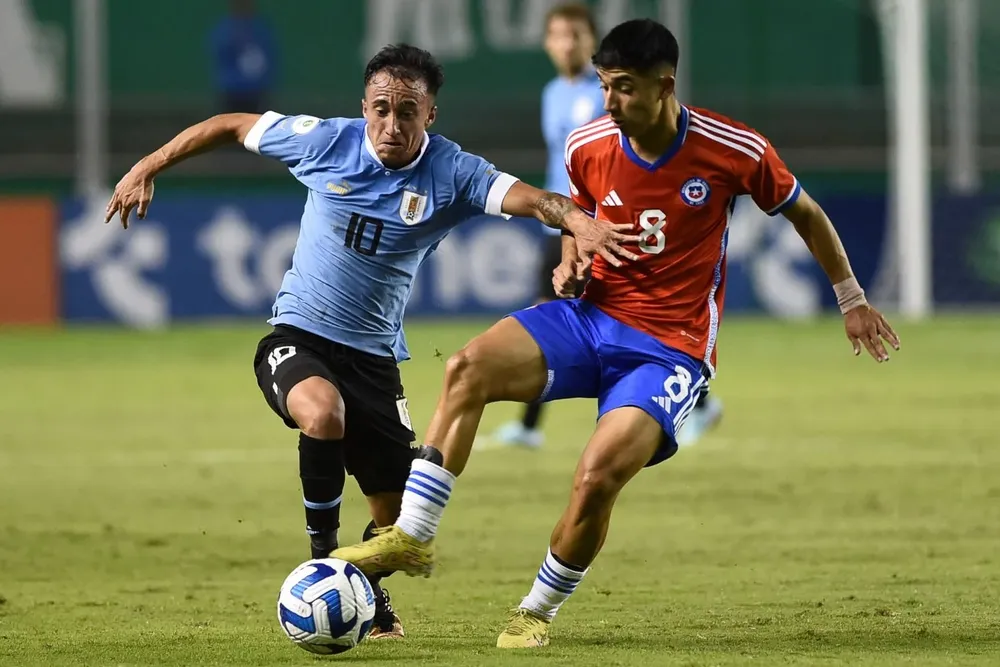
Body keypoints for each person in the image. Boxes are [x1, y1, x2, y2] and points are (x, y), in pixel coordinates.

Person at [330, 20, 901, 649]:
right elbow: (580, 220)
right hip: (588, 319)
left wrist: (852, 299)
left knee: (596, 475)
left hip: (669, 349)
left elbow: (807, 213)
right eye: (604, 86)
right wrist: (571, 259)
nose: (608, 102)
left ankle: (536, 610)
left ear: (665, 85)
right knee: (466, 367)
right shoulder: (587, 145)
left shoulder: (733, 148)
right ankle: (412, 535)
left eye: (624, 89)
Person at [103, 44, 635, 642]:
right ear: (363, 108)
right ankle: (323, 564)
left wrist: (580, 222)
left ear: (429, 115)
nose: (392, 124)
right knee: (322, 414)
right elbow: (229, 124)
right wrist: (146, 165)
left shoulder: (453, 172)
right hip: (297, 336)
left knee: (396, 524)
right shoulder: (325, 141)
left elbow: (534, 200)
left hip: (375, 361)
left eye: (407, 111)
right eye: (380, 109)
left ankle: (367, 594)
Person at [492, 2, 605, 450]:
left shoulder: (605, 92)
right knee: (549, 316)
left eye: (576, 34)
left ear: (592, 41)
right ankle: (529, 426)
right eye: (559, 35)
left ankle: (529, 426)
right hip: (559, 222)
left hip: (595, 224)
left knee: (560, 316)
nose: (568, 43)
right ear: (546, 43)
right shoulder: (552, 92)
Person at [208, 0, 276, 114]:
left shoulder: (259, 29)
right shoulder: (226, 30)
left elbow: (269, 59)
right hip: (232, 93)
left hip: (256, 93)